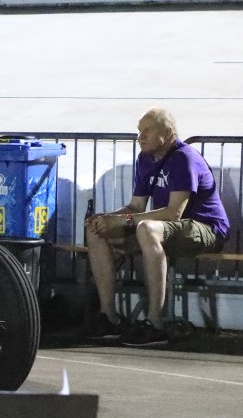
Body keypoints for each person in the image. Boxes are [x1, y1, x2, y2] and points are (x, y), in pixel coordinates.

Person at [84, 108, 229, 348]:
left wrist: (122, 221)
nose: (140, 137)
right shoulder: (145, 159)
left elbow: (173, 213)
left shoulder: (184, 158)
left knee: (147, 229)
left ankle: (155, 323)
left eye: (147, 131)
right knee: (95, 229)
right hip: (164, 229)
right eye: (139, 131)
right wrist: (107, 219)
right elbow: (135, 206)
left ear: (168, 133)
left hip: (205, 228)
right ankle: (109, 318)